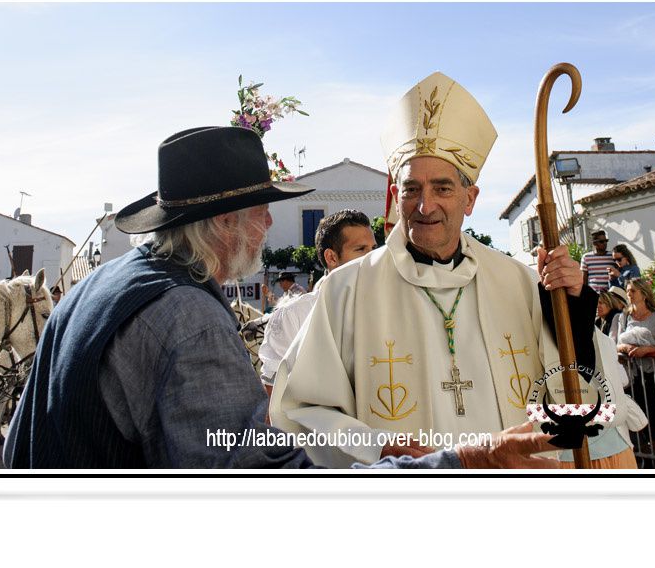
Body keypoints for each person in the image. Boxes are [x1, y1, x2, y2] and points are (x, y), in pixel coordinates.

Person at [3, 126, 555, 470]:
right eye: (261, 208)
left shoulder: (104, 284)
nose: (271, 222)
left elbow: (18, 446)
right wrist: (460, 459)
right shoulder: (189, 319)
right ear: (224, 221)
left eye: (443, 188)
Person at [271, 72, 635, 469]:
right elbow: (299, 408)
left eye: (442, 188)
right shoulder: (346, 289)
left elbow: (576, 385)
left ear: (470, 198)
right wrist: (377, 448)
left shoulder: (518, 281)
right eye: (412, 189)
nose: (425, 206)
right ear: (396, 195)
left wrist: (574, 307)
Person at [259, 209, 376, 393]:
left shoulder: (387, 310)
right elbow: (273, 391)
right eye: (361, 249)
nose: (372, 258)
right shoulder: (294, 316)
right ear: (331, 257)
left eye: (373, 249)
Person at [611, 277, 655, 462]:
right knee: (648, 418)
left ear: (643, 293)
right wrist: (625, 349)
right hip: (635, 375)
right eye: (627, 290)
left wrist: (646, 350)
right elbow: (617, 345)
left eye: (633, 291)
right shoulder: (624, 316)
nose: (629, 294)